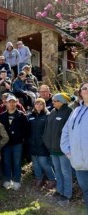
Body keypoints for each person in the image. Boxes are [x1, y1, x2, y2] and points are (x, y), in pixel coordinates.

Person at [61, 82, 88, 212]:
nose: (87, 90)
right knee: (86, 191)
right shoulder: (76, 111)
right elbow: (65, 132)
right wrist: (68, 153)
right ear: (80, 93)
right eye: (85, 88)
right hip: (79, 162)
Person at [43, 93, 73, 206]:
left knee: (66, 172)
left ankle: (67, 195)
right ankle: (60, 191)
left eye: (56, 100)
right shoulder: (53, 112)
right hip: (52, 148)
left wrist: (66, 146)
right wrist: (46, 141)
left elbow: (70, 132)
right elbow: (47, 128)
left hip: (63, 150)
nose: (53, 102)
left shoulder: (69, 112)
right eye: (53, 100)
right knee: (58, 171)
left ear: (62, 101)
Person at [0, 95, 29, 191]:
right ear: (6, 103)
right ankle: (8, 179)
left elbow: (26, 129)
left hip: (17, 143)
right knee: (7, 162)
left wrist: (21, 138)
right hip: (6, 144)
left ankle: (17, 180)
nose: (11, 104)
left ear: (16, 102)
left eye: (13, 102)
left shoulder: (21, 115)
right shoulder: (2, 115)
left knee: (16, 162)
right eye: (9, 102)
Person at [27, 98, 56, 189]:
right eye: (37, 104)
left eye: (41, 104)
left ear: (44, 105)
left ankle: (52, 179)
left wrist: (46, 142)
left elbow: (50, 131)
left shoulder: (48, 115)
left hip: (43, 144)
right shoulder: (30, 115)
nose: (38, 106)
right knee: (35, 163)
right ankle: (39, 178)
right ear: (34, 105)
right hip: (32, 144)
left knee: (44, 163)